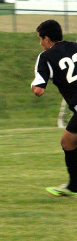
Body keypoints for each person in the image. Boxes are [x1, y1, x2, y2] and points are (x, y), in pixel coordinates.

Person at [31, 20, 77, 197]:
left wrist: (33, 84)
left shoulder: (46, 57)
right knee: (68, 141)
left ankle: (74, 185)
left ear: (47, 39)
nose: (40, 43)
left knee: (69, 142)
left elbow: (39, 90)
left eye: (40, 39)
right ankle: (73, 186)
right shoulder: (75, 46)